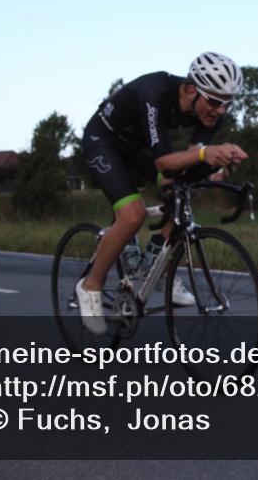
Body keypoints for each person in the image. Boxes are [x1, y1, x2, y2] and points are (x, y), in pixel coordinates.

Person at [76, 52, 248, 334]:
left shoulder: (211, 116)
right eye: (215, 101)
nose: (220, 111)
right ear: (192, 89)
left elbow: (190, 161)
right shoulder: (155, 91)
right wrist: (208, 153)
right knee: (132, 215)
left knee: (180, 193)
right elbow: (163, 162)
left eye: (228, 104)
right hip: (104, 141)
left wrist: (215, 160)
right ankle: (90, 285)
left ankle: (152, 266)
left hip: (135, 148)